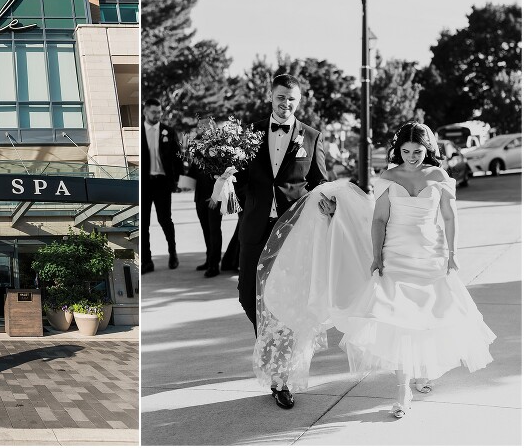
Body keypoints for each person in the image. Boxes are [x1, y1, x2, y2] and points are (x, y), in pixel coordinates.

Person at [254, 122, 495, 419]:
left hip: (430, 255)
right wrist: (377, 256)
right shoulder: (389, 177)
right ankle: (402, 390)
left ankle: (422, 373)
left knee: (428, 317)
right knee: (398, 321)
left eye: (417, 151)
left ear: (428, 149)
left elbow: (449, 216)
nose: (411, 156)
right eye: (405, 151)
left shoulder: (439, 177)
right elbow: (379, 219)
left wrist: (452, 253)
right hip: (395, 256)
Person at [233, 73, 333, 410]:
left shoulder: (313, 137)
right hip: (254, 228)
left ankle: (280, 377)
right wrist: (243, 197)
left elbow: (320, 182)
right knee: (248, 295)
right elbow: (239, 176)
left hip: (292, 233)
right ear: (270, 96)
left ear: (299, 100)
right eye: (280, 97)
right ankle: (269, 342)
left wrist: (329, 204)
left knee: (286, 301)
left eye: (291, 99)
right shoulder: (250, 132)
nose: (285, 103)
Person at [141, 98, 184, 274]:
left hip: (162, 183)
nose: (157, 115)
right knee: (143, 224)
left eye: (159, 112)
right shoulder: (140, 132)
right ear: (145, 112)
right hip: (144, 184)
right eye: (154, 112)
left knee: (165, 220)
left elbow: (177, 158)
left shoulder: (168, 131)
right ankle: (146, 261)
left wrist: (179, 181)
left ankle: (173, 253)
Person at [189, 163, 223, 278]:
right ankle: (209, 259)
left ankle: (214, 264)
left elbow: (223, 176)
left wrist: (217, 196)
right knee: (206, 230)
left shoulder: (218, 151)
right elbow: (192, 174)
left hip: (214, 198)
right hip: (200, 198)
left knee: (214, 231)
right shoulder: (196, 154)